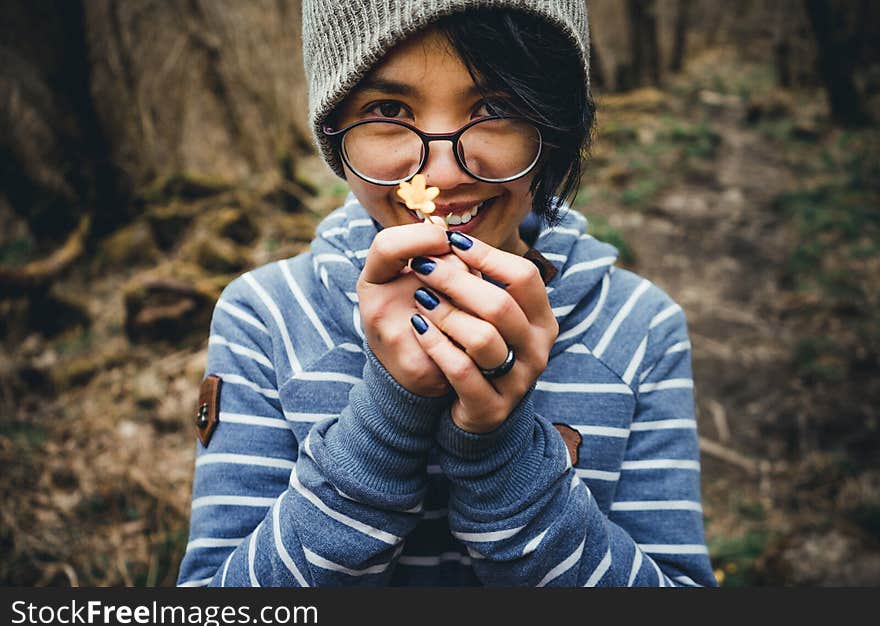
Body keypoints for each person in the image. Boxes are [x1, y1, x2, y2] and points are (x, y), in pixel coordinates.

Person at [176, 0, 717, 587]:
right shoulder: (264, 318)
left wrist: (503, 457)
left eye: (495, 107)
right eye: (387, 109)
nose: (441, 172)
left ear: (554, 123)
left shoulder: (641, 329)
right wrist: (386, 421)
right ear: (334, 136)